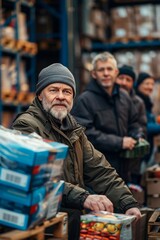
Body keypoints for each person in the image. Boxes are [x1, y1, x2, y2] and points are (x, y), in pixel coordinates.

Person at [12, 63, 141, 240]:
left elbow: (100, 170)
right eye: (53, 90)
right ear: (40, 94)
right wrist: (85, 197)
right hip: (44, 226)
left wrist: (128, 203)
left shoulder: (73, 129)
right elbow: (42, 179)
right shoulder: (27, 126)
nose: (60, 96)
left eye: (67, 92)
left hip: (69, 222)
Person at [72, 52, 145, 182]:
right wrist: (120, 142)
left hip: (124, 168)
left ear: (116, 72)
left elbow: (134, 122)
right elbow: (84, 134)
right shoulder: (85, 100)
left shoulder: (124, 97)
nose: (106, 73)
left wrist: (137, 135)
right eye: (101, 70)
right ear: (94, 74)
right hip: (98, 172)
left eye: (109, 69)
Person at [116, 65, 147, 184]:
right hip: (112, 157)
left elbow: (141, 127)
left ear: (133, 83)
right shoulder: (109, 100)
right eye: (121, 78)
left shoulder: (138, 103)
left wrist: (137, 136)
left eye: (128, 80)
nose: (123, 82)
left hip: (132, 160)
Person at [135, 72, 160, 168]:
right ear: (138, 84)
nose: (150, 87)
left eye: (152, 84)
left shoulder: (147, 101)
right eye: (147, 83)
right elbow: (144, 127)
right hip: (138, 154)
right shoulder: (136, 101)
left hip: (146, 151)